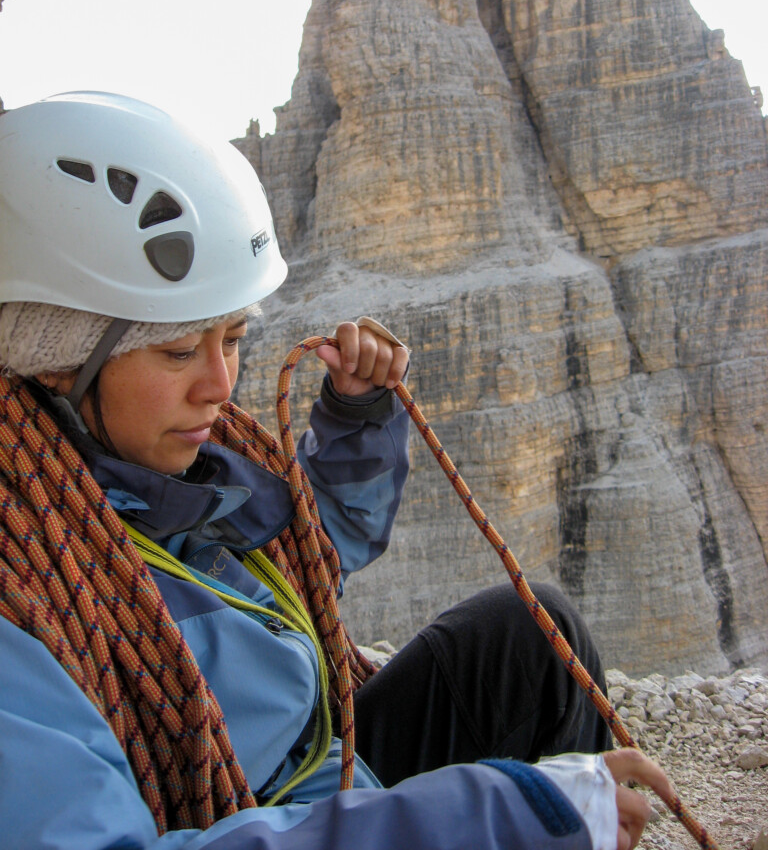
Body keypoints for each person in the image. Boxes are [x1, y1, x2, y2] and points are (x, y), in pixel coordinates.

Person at [0, 92, 673, 850]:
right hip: (248, 822)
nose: (221, 386)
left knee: (532, 634)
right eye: (181, 350)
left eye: (233, 338)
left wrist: (354, 422)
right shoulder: (22, 597)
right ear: (59, 363)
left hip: (330, 787)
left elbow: (315, 561)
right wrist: (497, 817)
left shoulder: (169, 483)